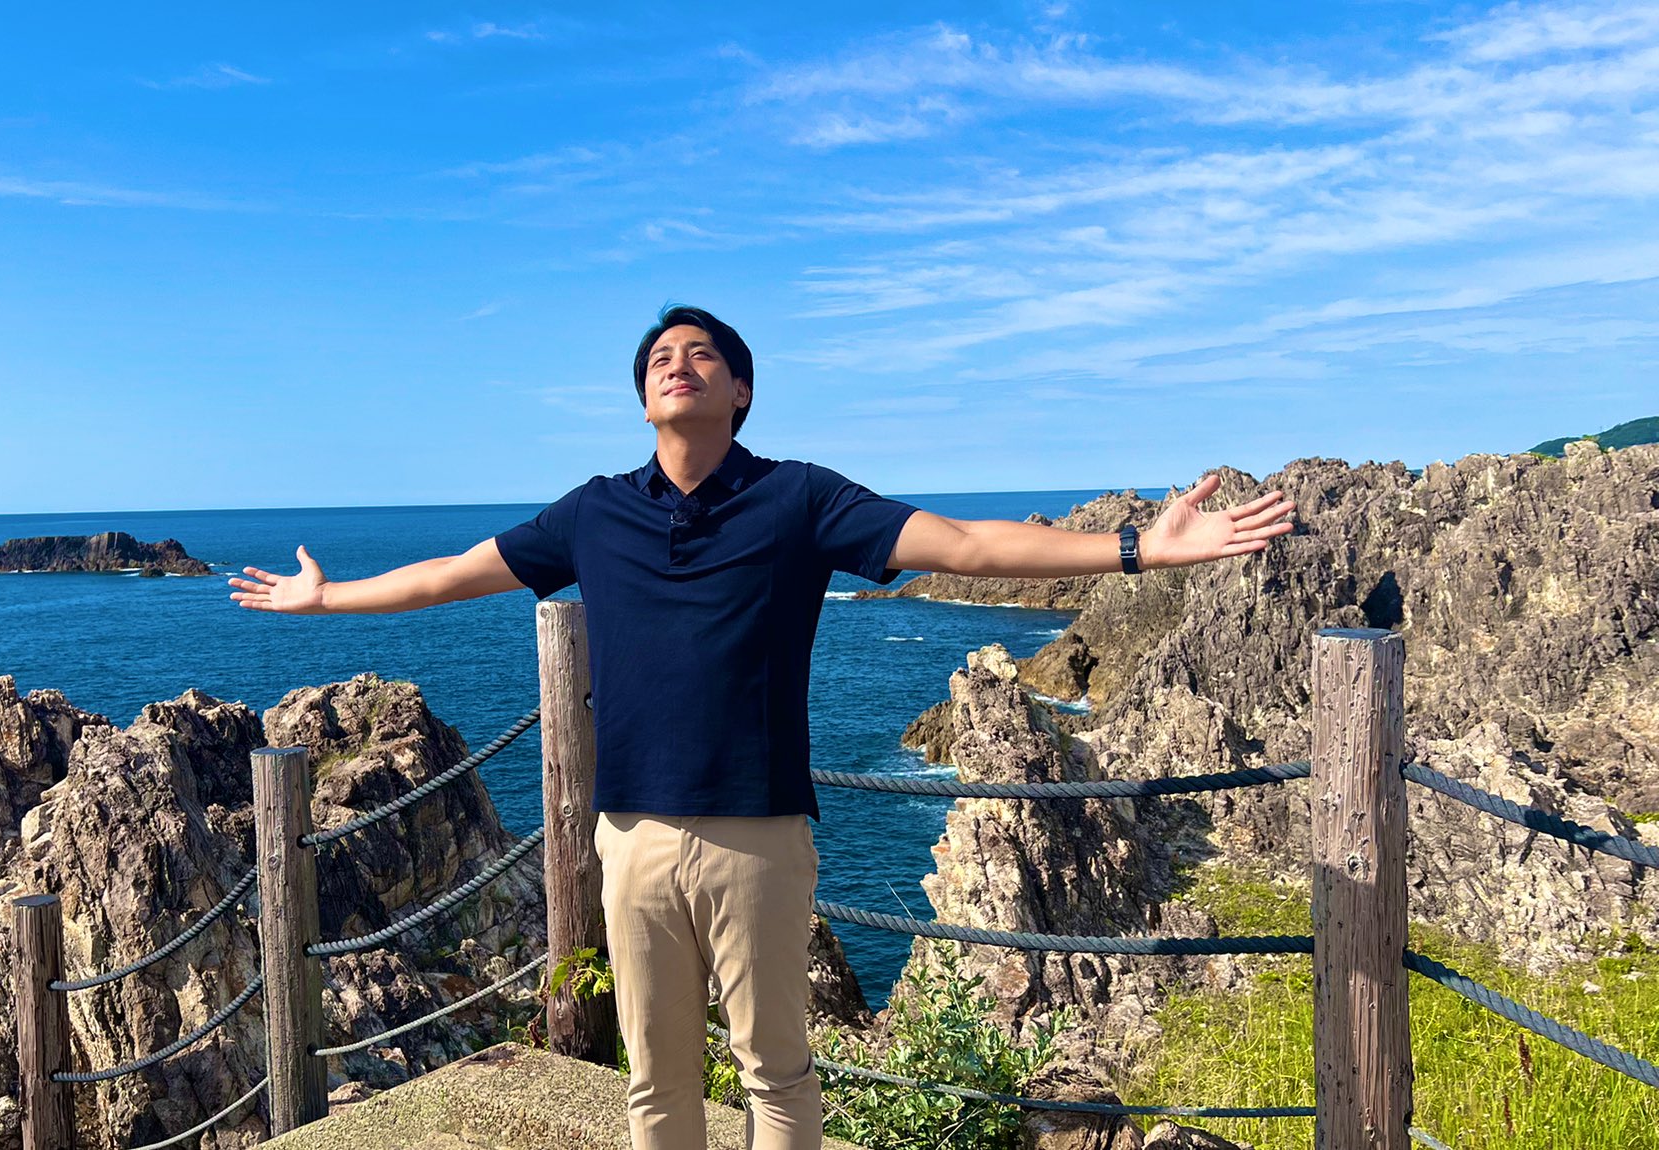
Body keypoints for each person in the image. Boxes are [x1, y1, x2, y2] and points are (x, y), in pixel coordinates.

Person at [228, 305, 1297, 1149]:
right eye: (659, 357)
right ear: (643, 397)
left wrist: (1136, 549)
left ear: (739, 391)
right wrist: (328, 599)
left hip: (758, 835)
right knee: (654, 1082)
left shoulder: (799, 499)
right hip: (631, 838)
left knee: (775, 1076)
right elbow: (454, 573)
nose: (676, 363)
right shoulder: (594, 511)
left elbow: (965, 544)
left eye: (700, 354)